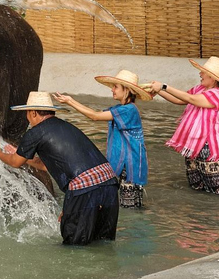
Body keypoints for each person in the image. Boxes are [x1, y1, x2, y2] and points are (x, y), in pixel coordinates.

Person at [0, 91, 119, 246]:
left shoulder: (35, 133)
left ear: (33, 112)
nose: (27, 117)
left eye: (27, 113)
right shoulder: (66, 126)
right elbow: (51, 165)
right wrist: (70, 205)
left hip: (84, 189)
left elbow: (15, 163)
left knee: (75, 246)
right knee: (103, 242)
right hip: (109, 183)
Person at [54, 70, 152, 208]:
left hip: (130, 166)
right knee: (126, 206)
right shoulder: (121, 108)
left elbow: (94, 116)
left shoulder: (128, 110)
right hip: (127, 164)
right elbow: (97, 114)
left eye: (116, 87)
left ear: (127, 90)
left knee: (129, 207)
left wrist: (70, 101)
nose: (112, 90)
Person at [149, 56, 219, 195]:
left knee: (218, 192)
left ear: (213, 77)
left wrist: (164, 86)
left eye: (203, 72)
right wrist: (158, 91)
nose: (200, 74)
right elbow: (180, 99)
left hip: (210, 150)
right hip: (194, 147)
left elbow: (191, 99)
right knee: (197, 188)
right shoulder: (199, 89)